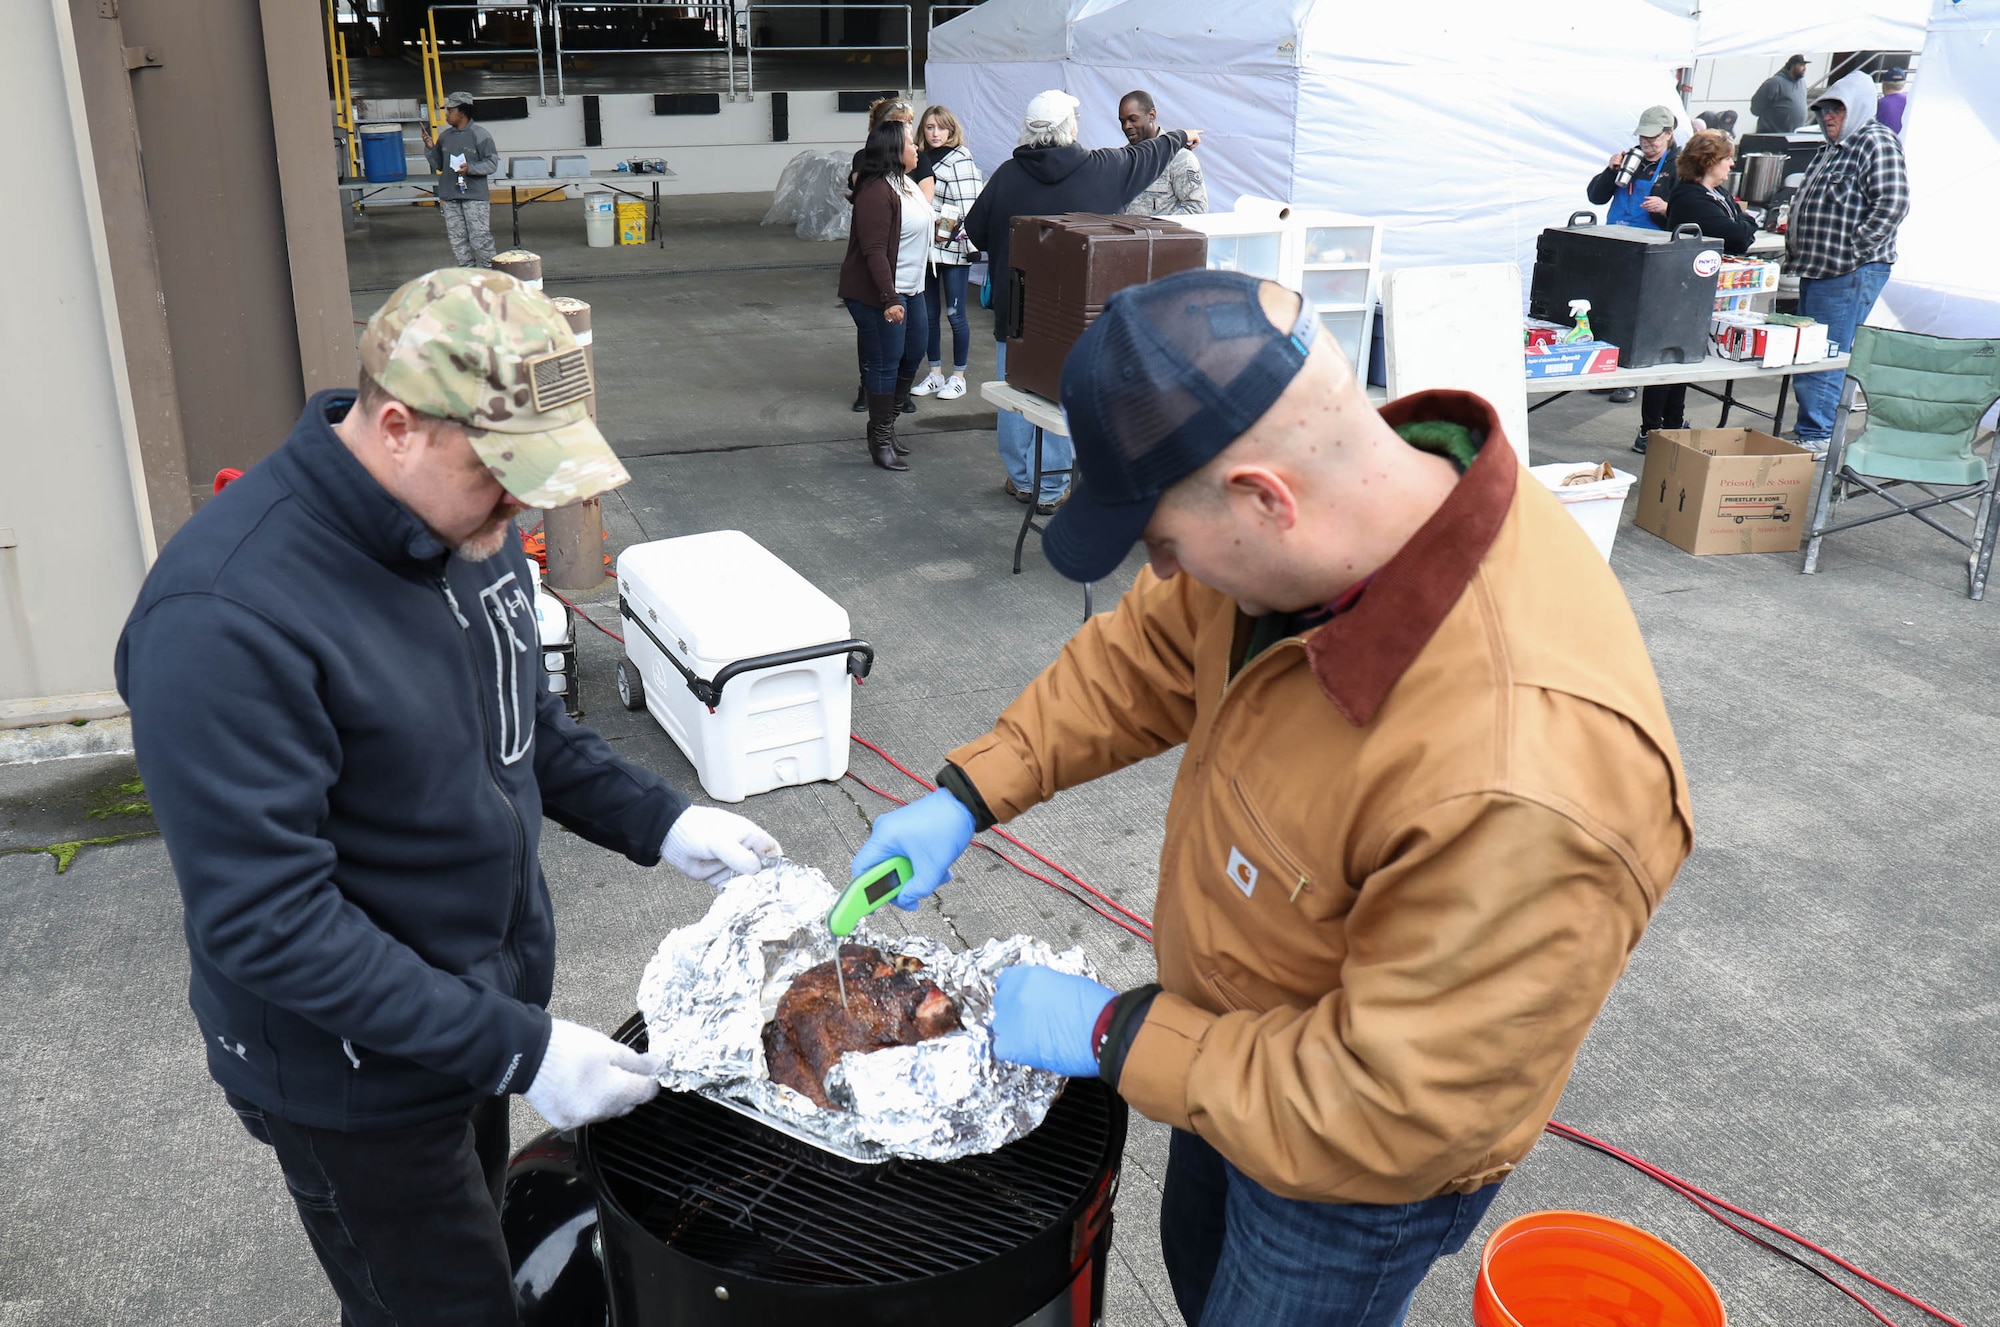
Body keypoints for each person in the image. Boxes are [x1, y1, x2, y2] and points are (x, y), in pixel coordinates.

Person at [849, 268, 1692, 1326]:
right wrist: (970, 791)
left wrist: (1118, 1037)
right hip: (1218, 1044)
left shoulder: (1523, 771)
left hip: (1348, 1167)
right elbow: (1146, 653)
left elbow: (1393, 1105)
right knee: (1201, 1274)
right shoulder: (1335, 524)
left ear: (1262, 498)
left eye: (1161, 546)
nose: (1156, 574)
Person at [114, 268, 784, 1326]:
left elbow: (528, 733)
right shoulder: (224, 616)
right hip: (349, 1078)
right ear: (395, 427)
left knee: (472, 1252)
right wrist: (524, 1049)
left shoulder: (468, 538)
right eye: (499, 475)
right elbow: (267, 921)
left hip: (468, 1014)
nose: (518, 508)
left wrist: (663, 820)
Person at [965, 89, 1200, 513]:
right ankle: (1052, 489)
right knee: (1059, 395)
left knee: (1016, 391)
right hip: (1077, 314)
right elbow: (1148, 155)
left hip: (1015, 309)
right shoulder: (1103, 169)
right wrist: (1181, 136)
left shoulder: (1006, 175)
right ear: (1070, 128)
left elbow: (976, 231)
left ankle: (1022, 479)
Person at [1786, 71, 1909, 453]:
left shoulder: (1876, 141)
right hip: (1819, 268)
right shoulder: (1829, 149)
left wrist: (1857, 249)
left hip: (1848, 270)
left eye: (1836, 109)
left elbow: (1893, 202)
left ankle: (1818, 436)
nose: (1828, 117)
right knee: (1811, 353)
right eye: (1824, 110)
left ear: (1855, 108)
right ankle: (1812, 429)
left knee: (1826, 353)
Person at [1632, 130, 1759, 453]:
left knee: (1683, 360)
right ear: (1710, 161)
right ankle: (1652, 429)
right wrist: (1746, 222)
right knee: (1668, 360)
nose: (1732, 164)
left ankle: (1673, 423)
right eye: (1727, 158)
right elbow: (1738, 235)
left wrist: (1743, 222)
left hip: (1699, 289)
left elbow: (1738, 226)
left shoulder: (1716, 193)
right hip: (1681, 287)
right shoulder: (1690, 196)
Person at [841, 119, 934, 472]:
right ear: (896, 150)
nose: (917, 149)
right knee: (886, 360)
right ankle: (879, 439)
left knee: (914, 353)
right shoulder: (876, 191)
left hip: (912, 288)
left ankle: (887, 426)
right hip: (879, 294)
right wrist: (889, 298)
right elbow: (875, 251)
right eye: (911, 143)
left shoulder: (905, 184)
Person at [1584, 105, 1678, 403]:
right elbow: (1596, 197)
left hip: (1651, 249)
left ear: (1669, 134)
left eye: (1653, 139)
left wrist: (1666, 209)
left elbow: (1685, 216)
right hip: (1616, 243)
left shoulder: (1677, 166)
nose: (1647, 144)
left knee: (1638, 314)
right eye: (1643, 138)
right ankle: (1607, 368)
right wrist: (1609, 171)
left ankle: (1631, 378)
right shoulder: (1631, 159)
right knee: (1607, 308)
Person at [909, 105, 985, 402]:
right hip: (925, 250)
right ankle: (935, 373)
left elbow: (971, 207)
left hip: (953, 247)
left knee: (956, 315)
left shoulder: (960, 160)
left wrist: (936, 219)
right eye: (930, 127)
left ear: (952, 130)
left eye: (941, 127)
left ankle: (958, 377)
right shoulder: (917, 157)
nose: (936, 133)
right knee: (928, 316)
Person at [422, 92, 500, 268]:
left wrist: (470, 168)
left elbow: (491, 163)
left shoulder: (480, 135)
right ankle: (468, 274)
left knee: (480, 238)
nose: (447, 115)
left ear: (462, 112)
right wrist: (430, 149)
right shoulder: (445, 137)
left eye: (450, 110)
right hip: (451, 196)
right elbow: (439, 165)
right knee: (457, 240)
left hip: (474, 197)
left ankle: (492, 275)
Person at [1119, 90, 1208, 216]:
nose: (1126, 126)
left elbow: (1196, 209)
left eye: (1133, 119)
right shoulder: (1123, 158)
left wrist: (1156, 230)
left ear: (1152, 115)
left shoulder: (1180, 158)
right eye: (1122, 121)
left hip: (1162, 235)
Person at [1750, 55, 1810, 134]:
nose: (1804, 69)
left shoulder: (1802, 83)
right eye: (1801, 65)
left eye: (1805, 65)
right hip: (1772, 135)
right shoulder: (1774, 83)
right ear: (1792, 66)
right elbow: (1755, 107)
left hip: (1793, 135)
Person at [1875, 67, 1909, 135]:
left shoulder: (1879, 104)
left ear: (1883, 84)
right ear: (1903, 84)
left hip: (1885, 141)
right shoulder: (1910, 102)